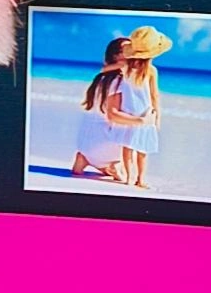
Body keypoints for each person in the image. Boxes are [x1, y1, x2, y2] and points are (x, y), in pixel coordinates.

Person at [71, 37, 148, 180]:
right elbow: (112, 115)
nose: (132, 52)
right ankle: (109, 164)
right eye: (127, 49)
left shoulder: (101, 78)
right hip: (102, 145)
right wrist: (142, 121)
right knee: (135, 129)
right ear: (116, 56)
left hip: (84, 142)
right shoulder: (117, 80)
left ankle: (87, 159)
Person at [117, 26, 172, 189]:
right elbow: (155, 95)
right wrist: (157, 117)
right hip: (145, 114)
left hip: (128, 112)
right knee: (143, 150)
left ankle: (128, 177)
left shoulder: (125, 68)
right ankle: (140, 179)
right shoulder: (151, 70)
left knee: (127, 146)